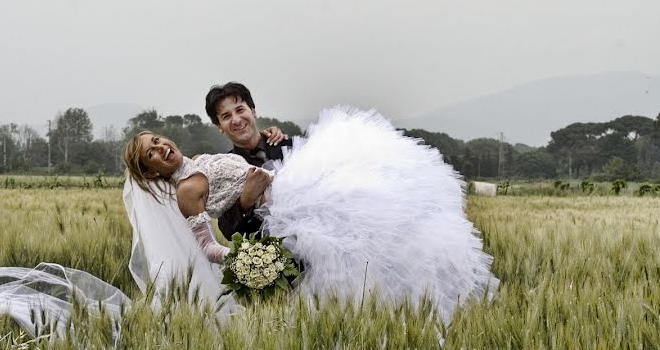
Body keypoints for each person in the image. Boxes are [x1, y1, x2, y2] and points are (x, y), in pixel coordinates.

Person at [123, 106, 499, 322]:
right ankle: (403, 314)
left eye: (157, 141)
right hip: (285, 207)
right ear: (151, 172)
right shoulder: (187, 190)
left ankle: (429, 302)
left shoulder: (200, 160)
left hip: (292, 187)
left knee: (379, 217)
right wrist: (241, 257)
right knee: (359, 242)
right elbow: (206, 245)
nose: (160, 149)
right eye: (150, 155)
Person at [203, 82, 292, 238]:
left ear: (253, 110)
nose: (236, 120)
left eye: (240, 110)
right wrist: (244, 202)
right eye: (226, 116)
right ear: (220, 127)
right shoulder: (223, 169)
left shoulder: (290, 146)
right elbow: (227, 231)